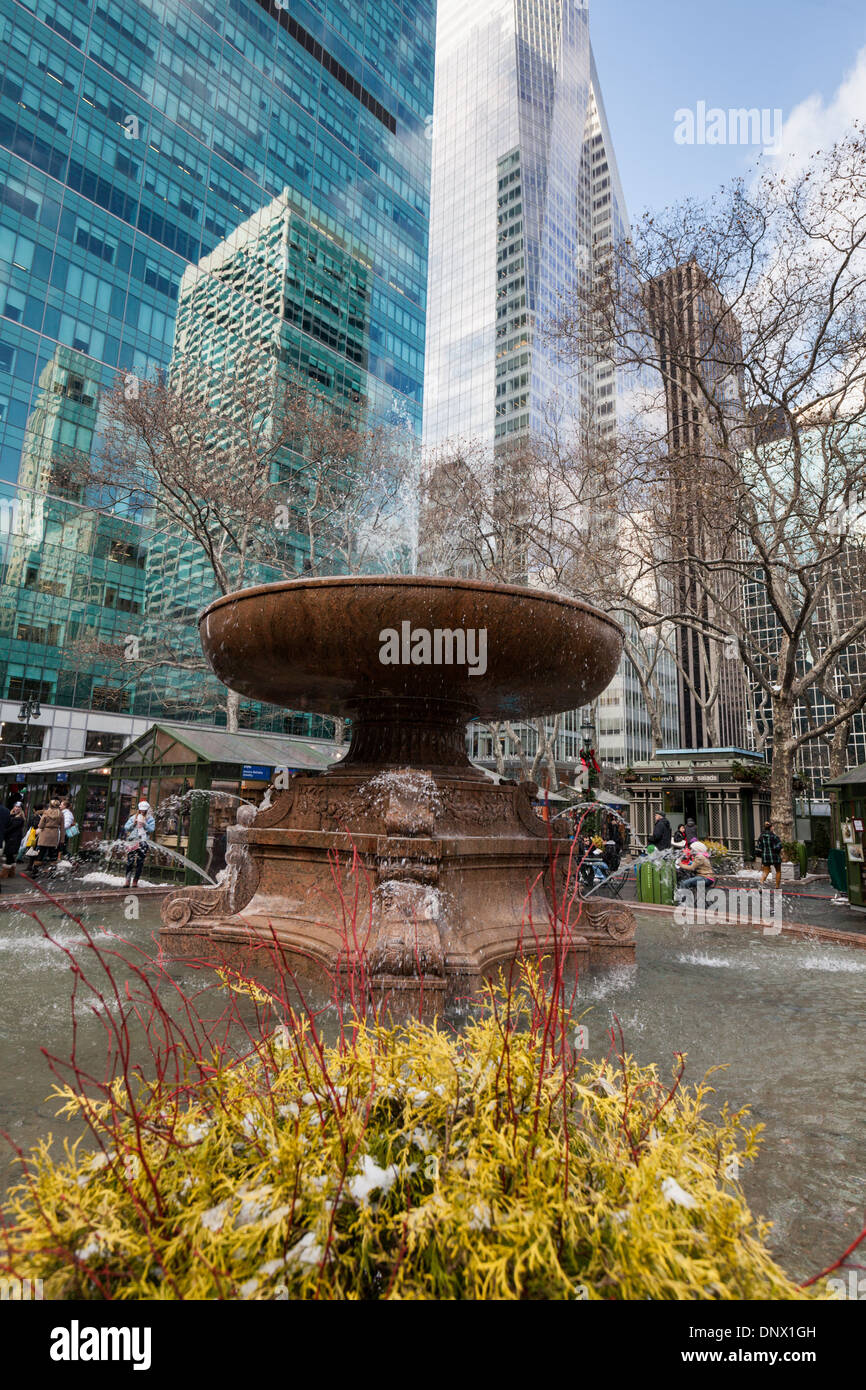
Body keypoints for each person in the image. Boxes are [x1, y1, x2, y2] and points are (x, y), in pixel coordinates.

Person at [123, 800, 155, 887]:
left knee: (140, 862)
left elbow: (152, 830)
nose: (142, 812)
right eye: (141, 810)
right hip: (132, 841)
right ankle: (127, 880)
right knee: (130, 861)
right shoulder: (133, 817)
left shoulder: (150, 819)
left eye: (144, 810)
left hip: (143, 841)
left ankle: (135, 881)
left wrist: (145, 824)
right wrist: (133, 824)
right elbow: (126, 828)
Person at [31, 799, 64, 876]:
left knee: (40, 854)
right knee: (52, 855)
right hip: (54, 836)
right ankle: (52, 873)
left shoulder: (46, 813)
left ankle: (35, 872)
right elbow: (62, 828)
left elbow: (40, 826)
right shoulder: (61, 814)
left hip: (44, 835)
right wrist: (62, 840)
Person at [756, 820, 784, 890]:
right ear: (771, 828)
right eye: (772, 827)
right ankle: (777, 886)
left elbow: (759, 847)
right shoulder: (774, 836)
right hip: (774, 856)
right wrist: (776, 848)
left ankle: (761, 883)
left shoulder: (761, 836)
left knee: (766, 871)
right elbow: (779, 845)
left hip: (765, 856)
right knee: (778, 871)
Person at [2, 801, 25, 876]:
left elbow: (11, 828)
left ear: (21, 809)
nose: (16, 808)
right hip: (10, 838)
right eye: (15, 806)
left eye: (19, 807)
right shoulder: (12, 815)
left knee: (8, 854)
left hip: (14, 839)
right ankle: (11, 872)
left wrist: (2, 831)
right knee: (10, 855)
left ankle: (5, 873)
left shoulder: (19, 818)